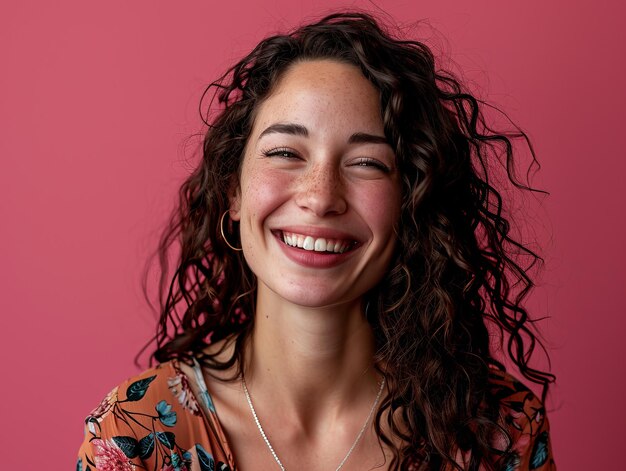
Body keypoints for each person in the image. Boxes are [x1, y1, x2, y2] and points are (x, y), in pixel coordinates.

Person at [77, 12, 555, 471]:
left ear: (411, 203)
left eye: (367, 162)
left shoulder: (499, 432)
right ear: (234, 191)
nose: (321, 197)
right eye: (286, 152)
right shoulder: (134, 434)